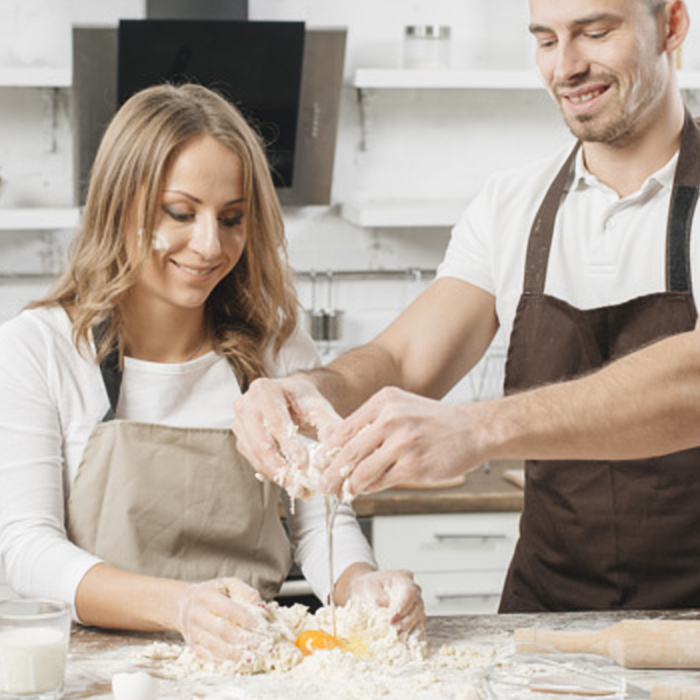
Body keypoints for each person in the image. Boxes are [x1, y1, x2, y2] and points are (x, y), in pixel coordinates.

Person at [231, 0, 700, 613]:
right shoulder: (512, 205)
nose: (567, 66)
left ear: (671, 25)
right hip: (544, 617)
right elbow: (403, 358)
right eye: (547, 40)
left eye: (595, 32)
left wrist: (479, 428)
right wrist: (303, 391)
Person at [0, 83, 424, 662]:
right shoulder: (40, 348)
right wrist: (181, 607)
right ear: (118, 204)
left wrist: (358, 586)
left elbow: (319, 519)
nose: (209, 245)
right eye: (180, 212)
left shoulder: (274, 351)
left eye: (231, 219)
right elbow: (25, 549)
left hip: (253, 667)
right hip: (98, 673)